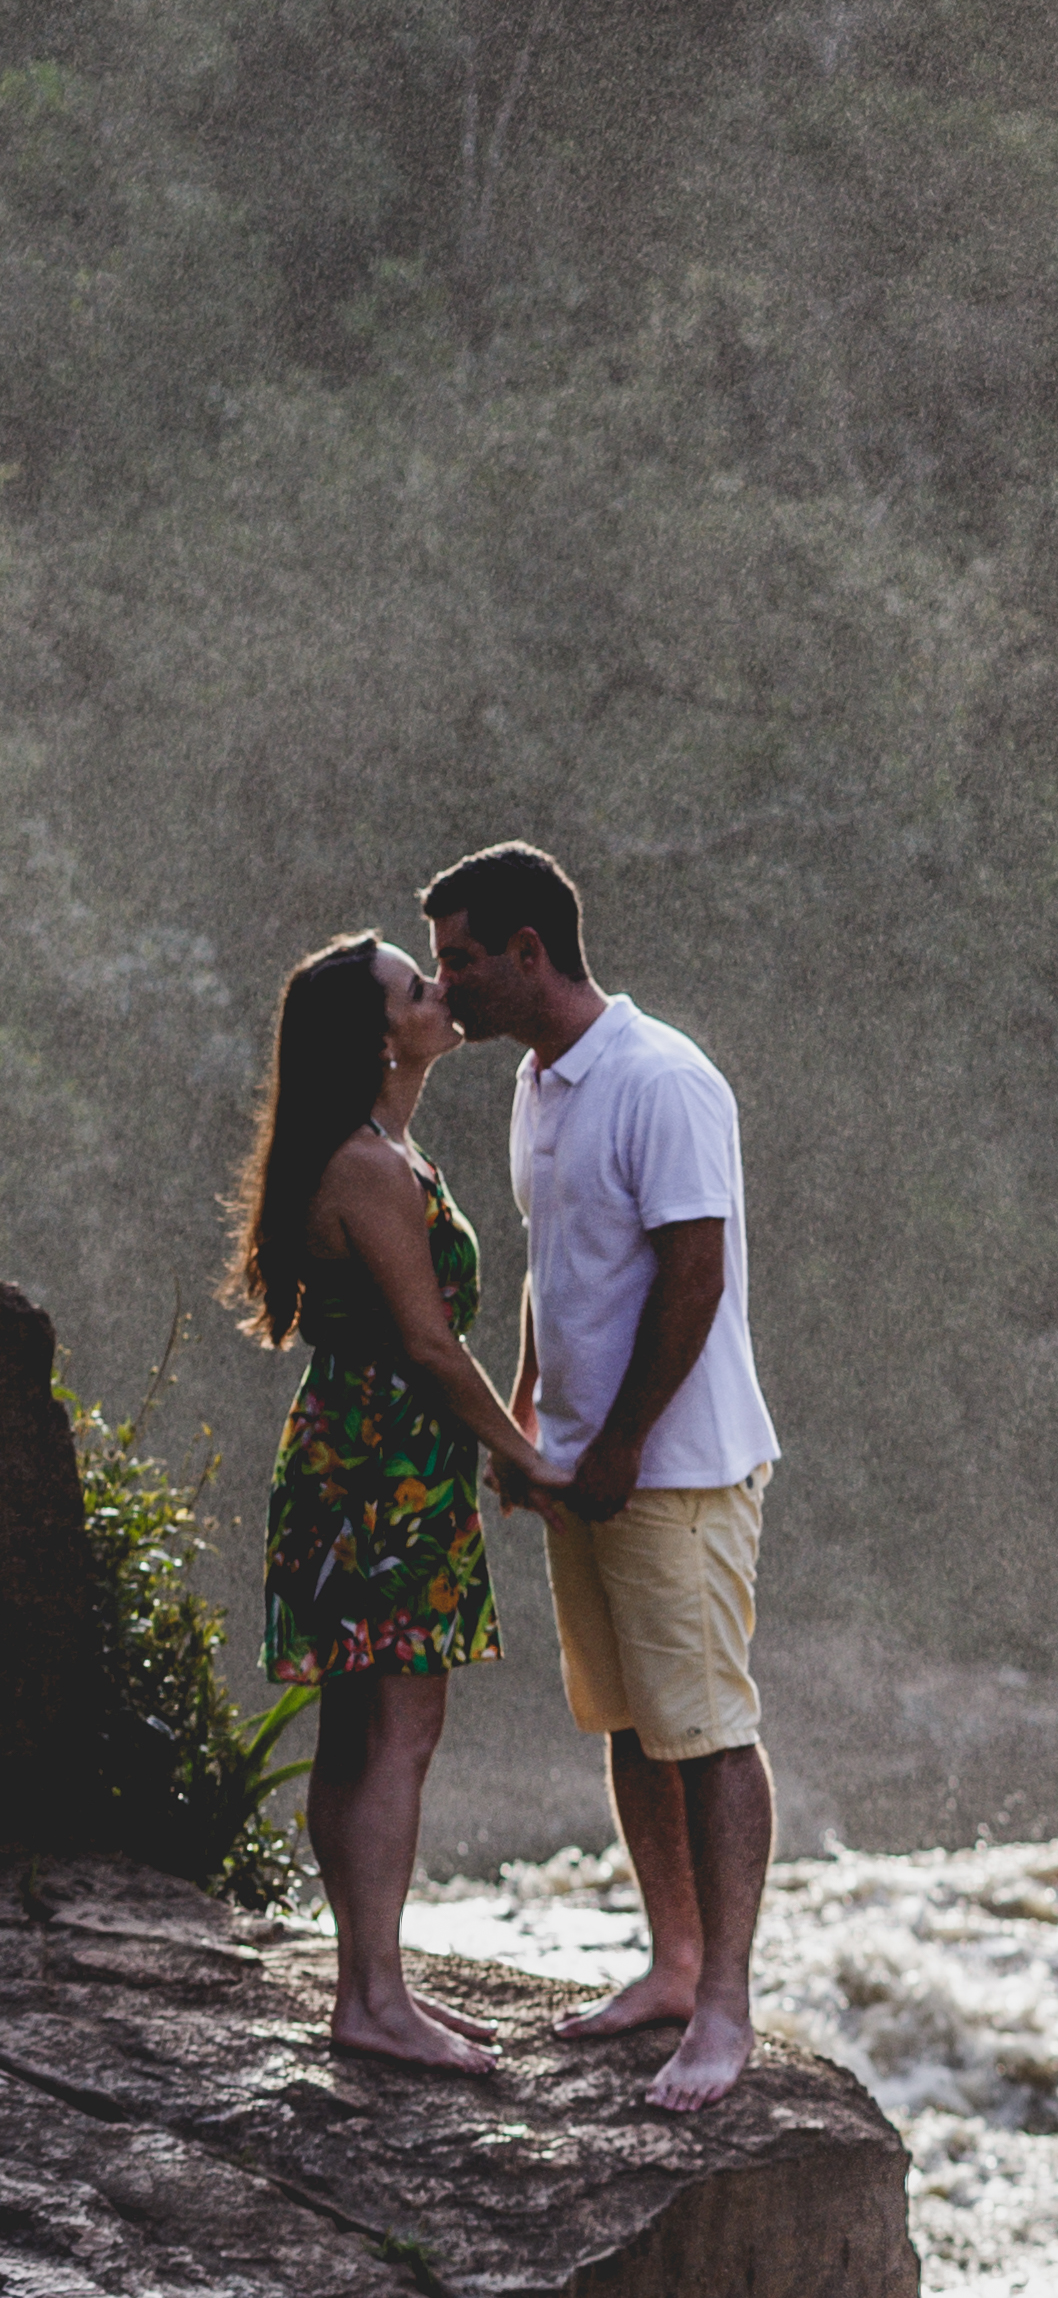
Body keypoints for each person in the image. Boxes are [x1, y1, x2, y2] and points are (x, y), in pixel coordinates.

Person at [423, 840, 782, 2114]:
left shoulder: (661, 1077)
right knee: (634, 1726)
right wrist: (530, 1416)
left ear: (531, 953)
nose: (443, 983)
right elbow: (552, 1261)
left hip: (675, 1468)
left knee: (709, 1730)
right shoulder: (538, 1083)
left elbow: (697, 1275)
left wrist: (623, 1441)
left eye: (460, 959)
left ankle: (727, 2006)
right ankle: (672, 1967)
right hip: (583, 1464)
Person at [228, 931, 550, 2073]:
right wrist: (528, 1456)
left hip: (374, 1465)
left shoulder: (382, 1147)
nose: (440, 989)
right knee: (397, 1732)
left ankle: (371, 1987)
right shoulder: (366, 1164)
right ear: (380, 1035)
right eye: (419, 987)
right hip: (379, 1473)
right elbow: (426, 1341)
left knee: (363, 1730)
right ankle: (372, 1996)